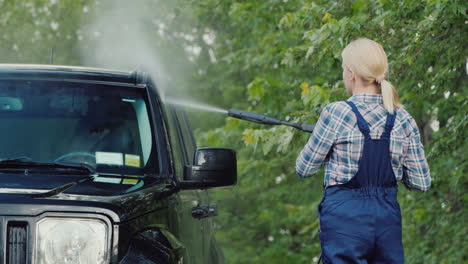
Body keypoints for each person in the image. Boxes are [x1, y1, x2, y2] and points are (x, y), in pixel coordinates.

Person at [296, 38, 431, 264]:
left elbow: (304, 168)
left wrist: (328, 146)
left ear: (350, 73)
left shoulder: (337, 113)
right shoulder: (403, 118)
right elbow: (422, 182)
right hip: (387, 221)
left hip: (344, 220)